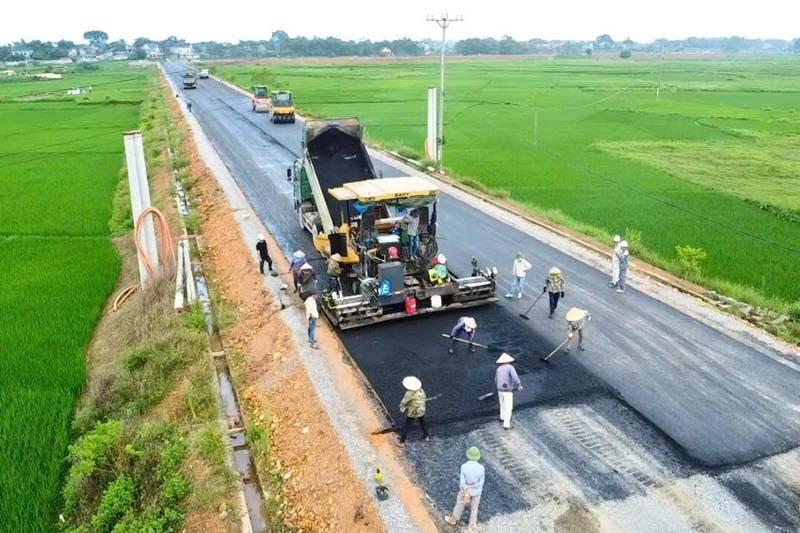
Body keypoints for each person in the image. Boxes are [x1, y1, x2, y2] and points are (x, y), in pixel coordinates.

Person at [444, 446, 485, 531]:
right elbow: (480, 484)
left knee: (459, 503)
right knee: (474, 508)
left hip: (465, 491)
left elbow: (462, 483)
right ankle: (471, 526)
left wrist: (466, 491)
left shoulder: (464, 467)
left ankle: (454, 519)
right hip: (476, 492)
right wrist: (472, 486)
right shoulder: (481, 468)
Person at [397, 376, 429, 444]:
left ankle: (402, 441)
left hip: (413, 411)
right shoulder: (421, 391)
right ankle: (426, 436)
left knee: (407, 425)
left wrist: (401, 406)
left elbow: (404, 402)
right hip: (421, 410)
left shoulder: (409, 393)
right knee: (422, 422)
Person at [495, 353, 523, 430]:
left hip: (499, 390)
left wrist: (498, 387)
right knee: (508, 407)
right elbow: (515, 377)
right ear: (508, 361)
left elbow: (496, 380)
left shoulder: (499, 369)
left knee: (502, 404)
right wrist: (519, 385)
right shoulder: (510, 367)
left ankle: (502, 417)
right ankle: (506, 425)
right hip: (507, 391)